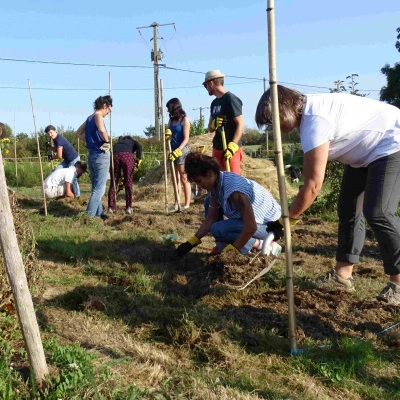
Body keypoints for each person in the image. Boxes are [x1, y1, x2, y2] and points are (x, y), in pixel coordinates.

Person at [255, 85, 400, 305]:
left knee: (379, 211)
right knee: (348, 208)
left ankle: (398, 284)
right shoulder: (307, 116)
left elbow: (313, 186)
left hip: (392, 142)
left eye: (273, 121)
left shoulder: (316, 121)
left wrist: (286, 222)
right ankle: (342, 276)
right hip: (365, 154)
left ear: (284, 110)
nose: (273, 128)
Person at [174, 152, 281, 256]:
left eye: (199, 181)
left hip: (271, 226)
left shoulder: (234, 191)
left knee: (218, 229)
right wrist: (191, 243)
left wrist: (230, 252)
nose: (200, 186)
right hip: (254, 223)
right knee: (208, 203)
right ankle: (222, 246)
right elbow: (211, 218)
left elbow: (251, 227)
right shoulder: (216, 183)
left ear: (210, 174)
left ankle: (262, 244)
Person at [75, 95, 112, 220]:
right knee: (99, 190)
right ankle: (88, 218)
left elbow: (78, 133)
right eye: (109, 109)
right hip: (101, 156)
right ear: (104, 106)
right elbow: (102, 130)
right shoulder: (98, 116)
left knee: (96, 187)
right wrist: (107, 142)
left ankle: (99, 213)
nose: (109, 112)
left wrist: (90, 142)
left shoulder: (89, 118)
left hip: (92, 156)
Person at [203, 69, 244, 175]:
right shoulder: (214, 103)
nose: (206, 88)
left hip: (230, 149)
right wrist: (214, 124)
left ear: (211, 83)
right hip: (217, 147)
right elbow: (210, 128)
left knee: (233, 182)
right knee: (219, 181)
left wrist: (233, 146)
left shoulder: (231, 99)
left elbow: (240, 123)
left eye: (206, 85)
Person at [165, 98, 191, 210]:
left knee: (184, 178)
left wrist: (178, 151)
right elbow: (169, 136)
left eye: (168, 108)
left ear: (174, 107)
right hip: (172, 151)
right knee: (175, 179)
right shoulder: (170, 121)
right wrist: (167, 136)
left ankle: (187, 204)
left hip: (182, 151)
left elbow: (186, 139)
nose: (167, 111)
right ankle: (176, 203)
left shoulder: (184, 120)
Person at [107, 135, 142, 214]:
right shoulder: (132, 141)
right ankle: (129, 207)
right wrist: (138, 159)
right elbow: (139, 146)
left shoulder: (117, 144)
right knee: (128, 182)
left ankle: (110, 207)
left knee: (113, 183)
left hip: (114, 157)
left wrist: (118, 177)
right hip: (127, 156)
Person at [45, 125, 81, 198]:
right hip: (67, 160)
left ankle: (77, 196)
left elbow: (59, 155)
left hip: (73, 159)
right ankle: (62, 193)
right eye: (48, 134)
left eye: (51, 132)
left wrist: (51, 157)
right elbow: (56, 149)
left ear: (55, 131)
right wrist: (49, 147)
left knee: (72, 178)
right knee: (57, 171)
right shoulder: (55, 139)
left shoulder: (59, 140)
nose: (50, 135)